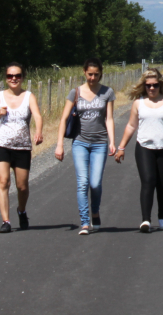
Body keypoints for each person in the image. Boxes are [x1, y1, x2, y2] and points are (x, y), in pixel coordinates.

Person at [115, 68, 163, 232]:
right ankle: (145, 220)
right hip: (144, 147)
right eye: (148, 86)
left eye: (155, 85)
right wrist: (121, 147)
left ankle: (162, 217)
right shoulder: (138, 103)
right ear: (144, 86)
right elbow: (131, 126)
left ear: (160, 85)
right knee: (148, 181)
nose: (152, 88)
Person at [55, 58, 116, 235]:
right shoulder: (75, 93)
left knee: (95, 183)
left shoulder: (107, 92)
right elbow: (63, 119)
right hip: (80, 142)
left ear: (101, 74)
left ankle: (95, 212)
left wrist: (112, 141)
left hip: (99, 143)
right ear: (84, 72)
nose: (93, 78)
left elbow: (109, 119)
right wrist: (60, 145)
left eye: (96, 74)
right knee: (83, 182)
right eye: (90, 74)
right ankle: (84, 222)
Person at [0, 62, 43, 233]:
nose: (14, 79)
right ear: (6, 78)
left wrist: (38, 132)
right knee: (4, 181)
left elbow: (38, 116)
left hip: (22, 147)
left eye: (17, 75)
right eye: (10, 76)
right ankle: (6, 221)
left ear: (22, 77)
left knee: (22, 186)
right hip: (2, 145)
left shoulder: (28, 96)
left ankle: (21, 210)